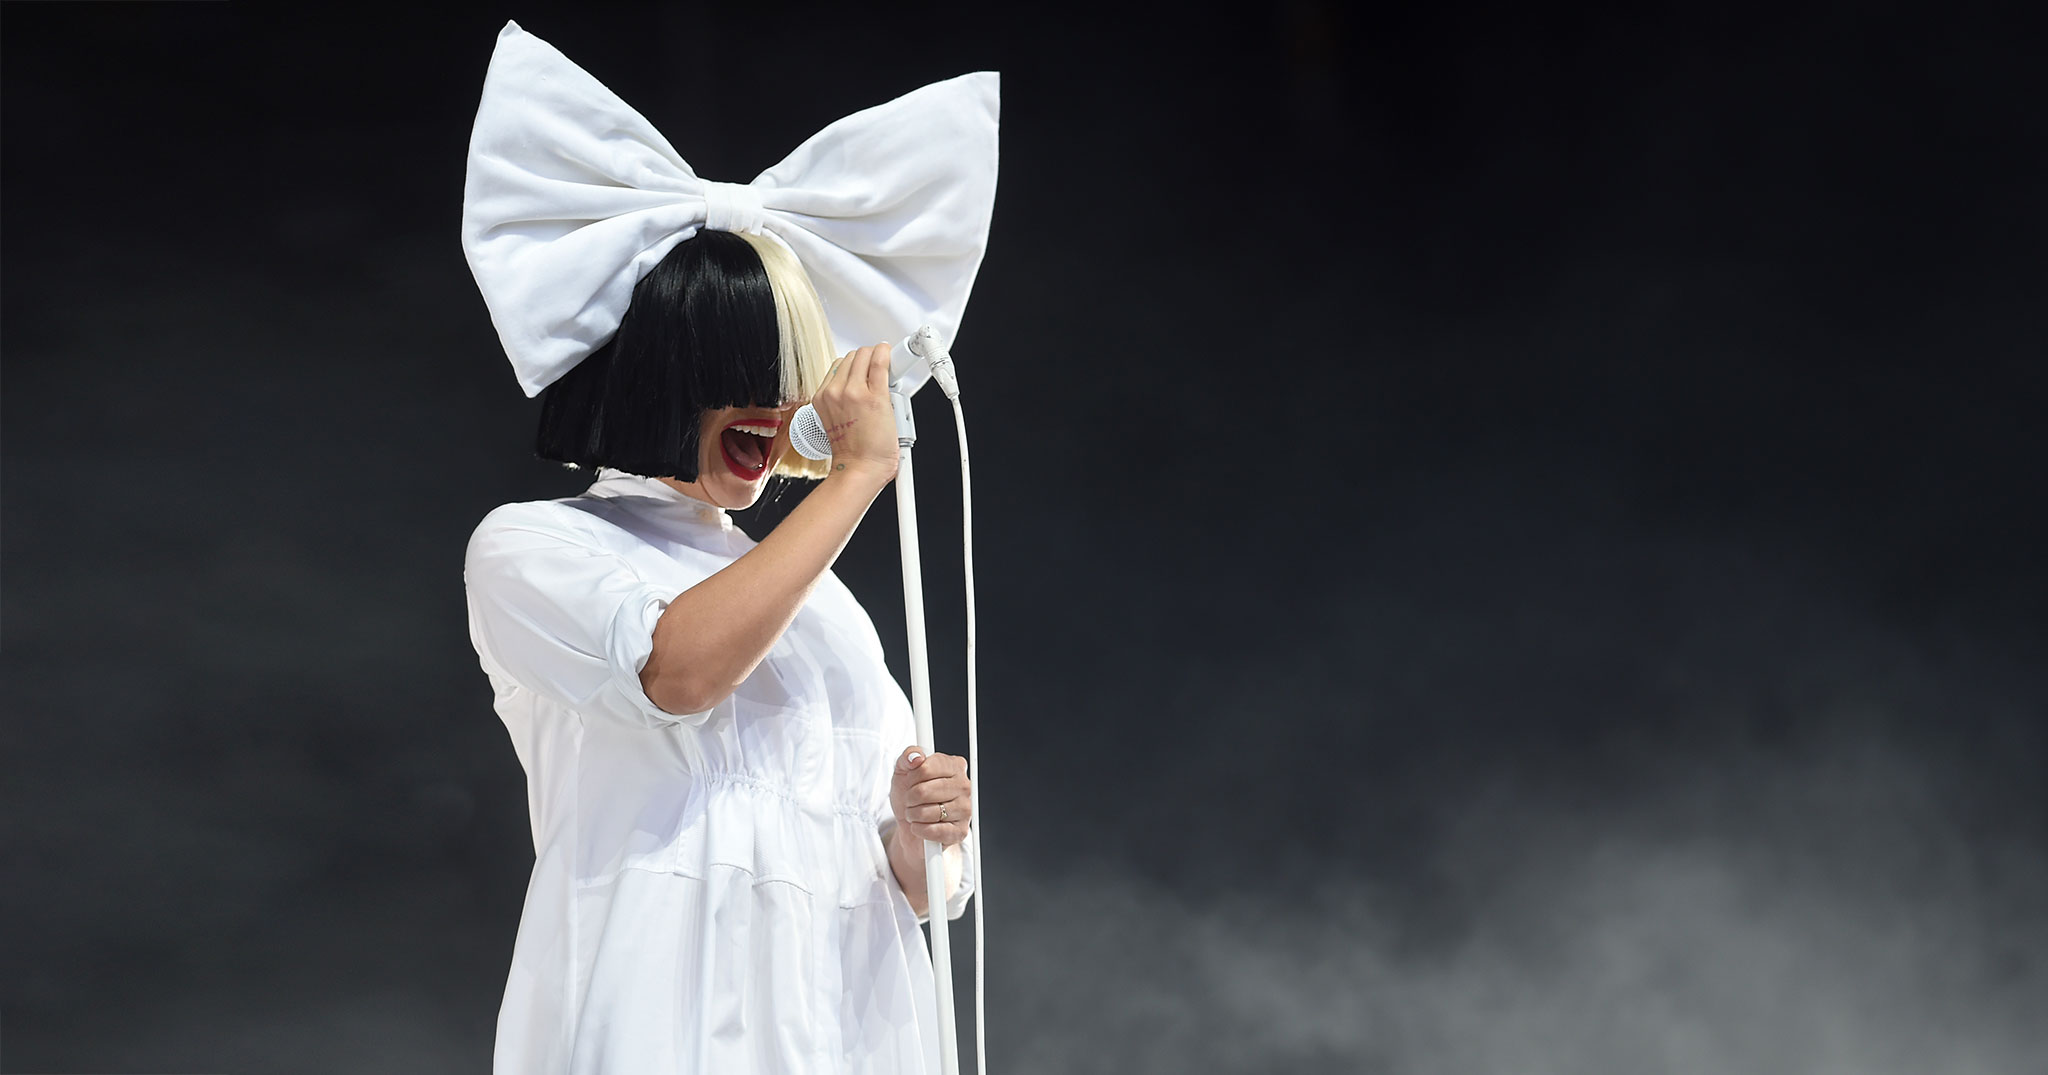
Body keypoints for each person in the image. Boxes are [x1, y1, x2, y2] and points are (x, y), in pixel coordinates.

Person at [457, 23, 996, 1075]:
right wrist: (851, 479)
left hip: (843, 1029)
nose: (782, 402)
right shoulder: (533, 547)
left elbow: (924, 887)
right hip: (660, 1020)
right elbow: (677, 671)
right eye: (742, 372)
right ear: (661, 377)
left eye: (792, 370)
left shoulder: (828, 609)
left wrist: (916, 828)